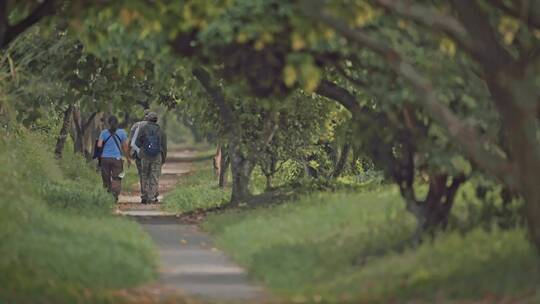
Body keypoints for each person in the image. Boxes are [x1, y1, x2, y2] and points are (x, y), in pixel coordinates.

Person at [136, 112, 167, 204]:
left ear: (148, 119)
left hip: (145, 156)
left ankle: (144, 195)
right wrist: (163, 159)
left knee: (144, 175)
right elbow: (164, 146)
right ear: (156, 120)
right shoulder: (161, 130)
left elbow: (138, 142)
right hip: (157, 156)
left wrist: (139, 154)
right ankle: (152, 196)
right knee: (154, 176)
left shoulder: (142, 129)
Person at [97, 115, 131, 201]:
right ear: (117, 123)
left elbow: (99, 145)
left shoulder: (104, 132)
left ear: (108, 123)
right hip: (117, 159)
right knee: (117, 178)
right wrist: (128, 158)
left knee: (106, 177)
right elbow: (125, 147)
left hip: (105, 158)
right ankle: (115, 195)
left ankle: (107, 194)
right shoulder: (122, 132)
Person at [129, 109, 150, 203]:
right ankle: (151, 193)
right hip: (151, 154)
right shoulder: (154, 126)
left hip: (138, 154)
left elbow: (131, 141)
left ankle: (144, 194)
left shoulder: (135, 126)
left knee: (142, 174)